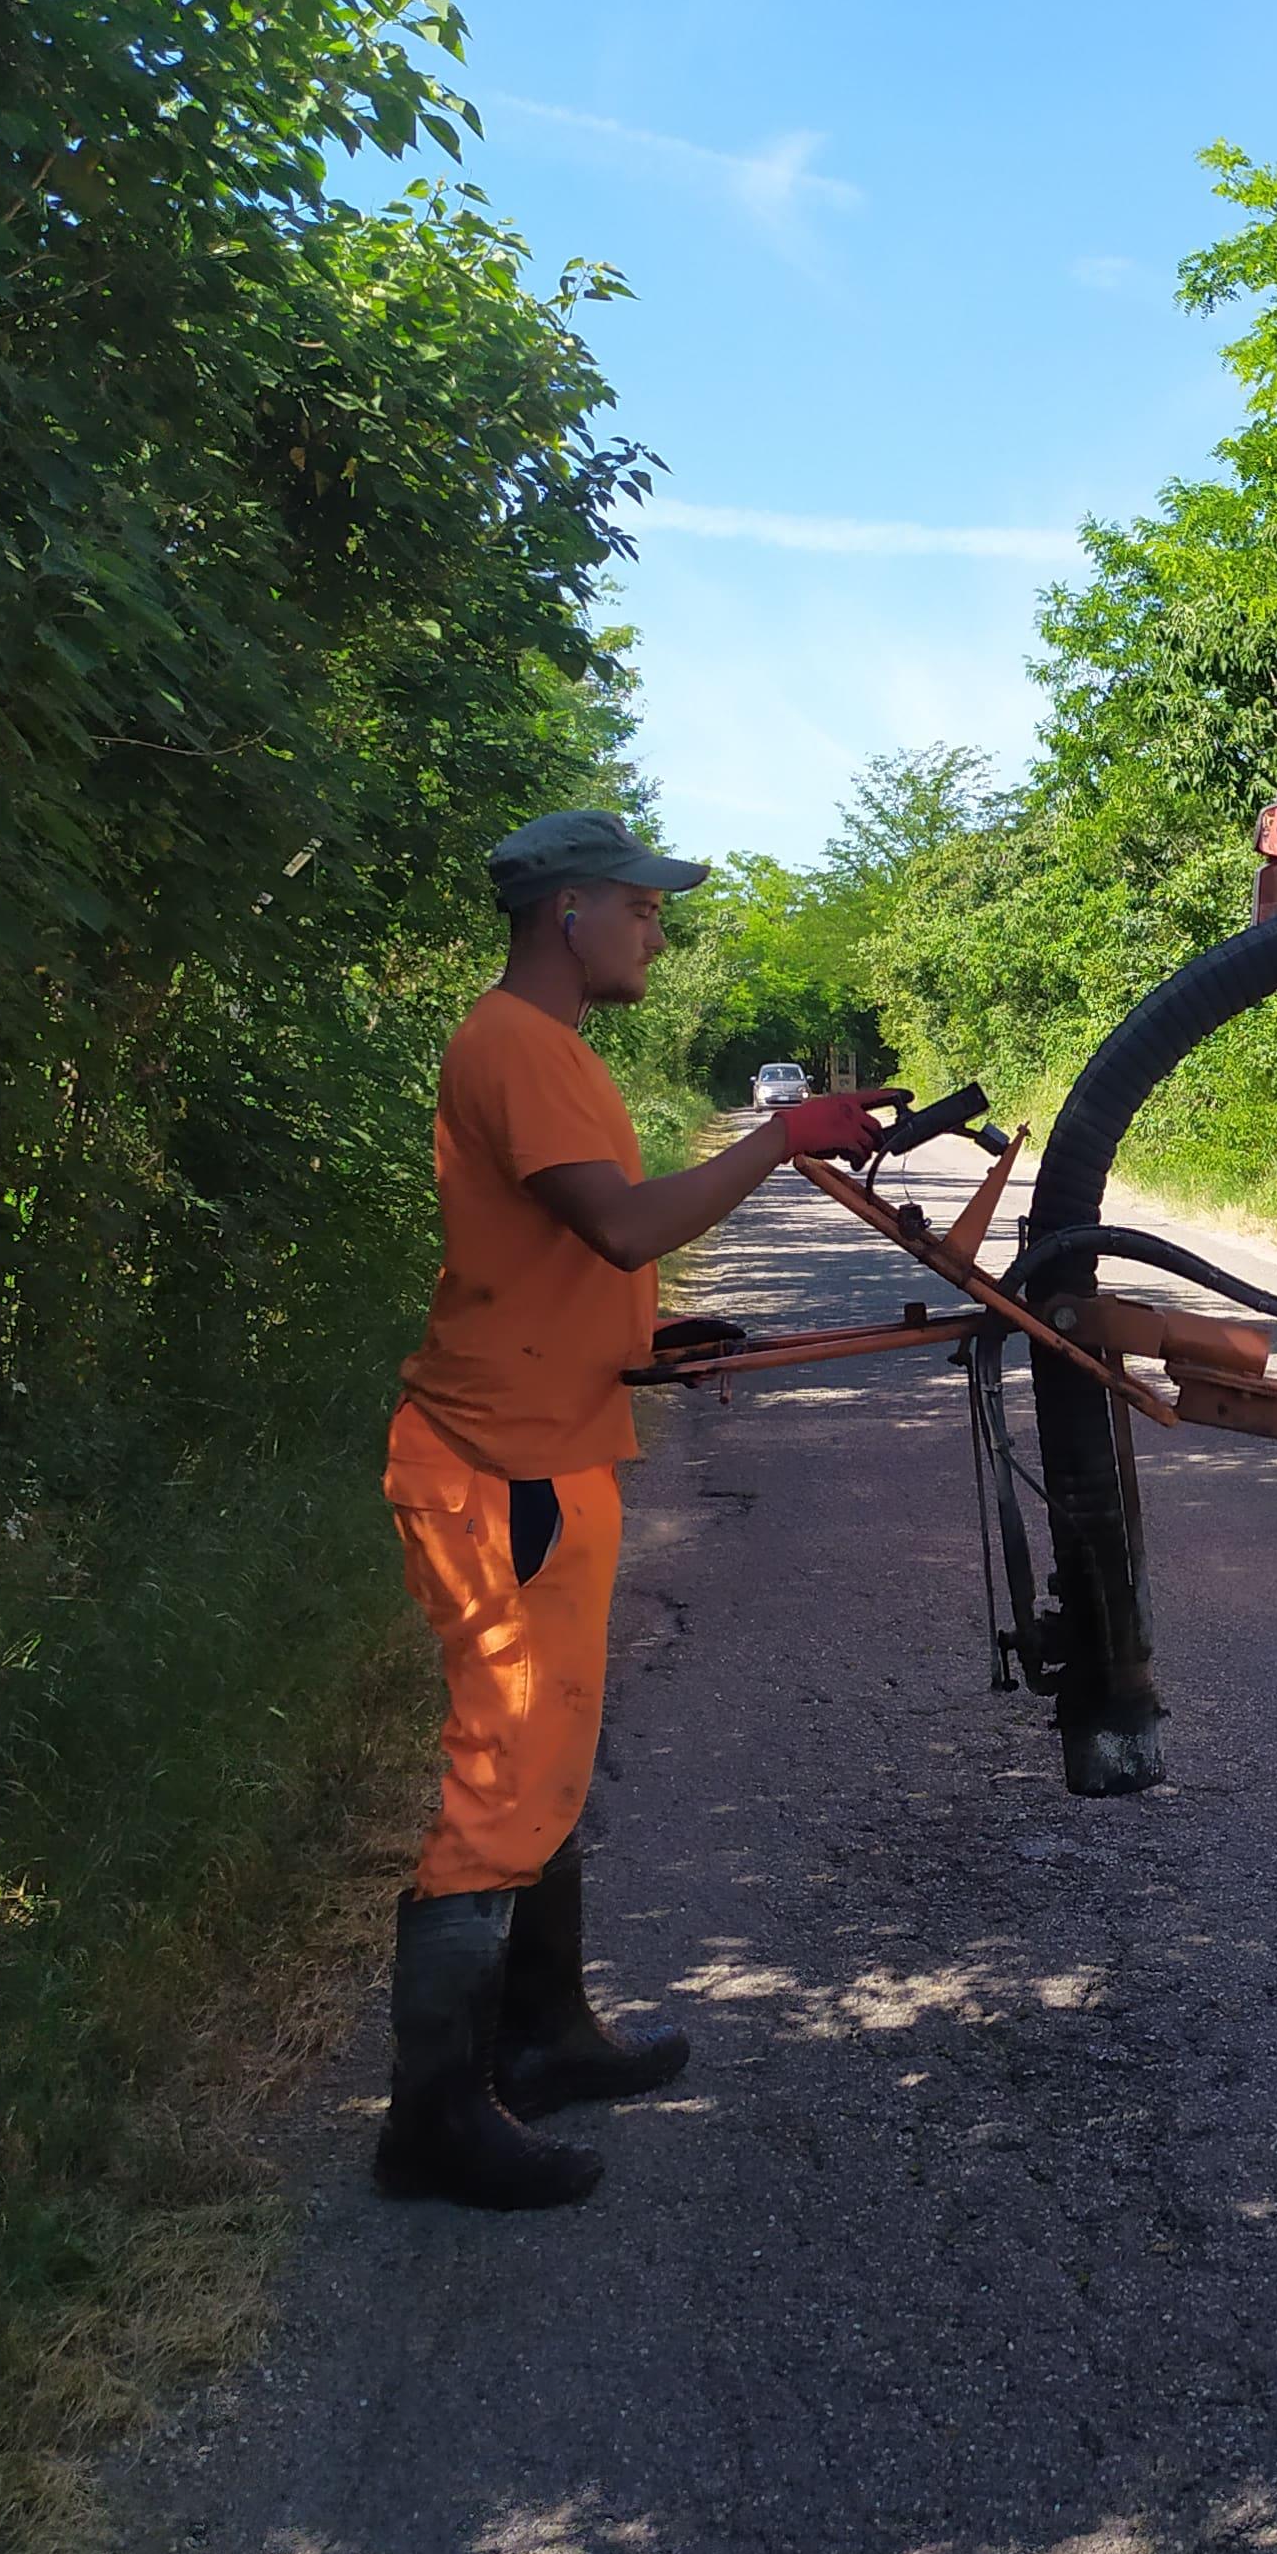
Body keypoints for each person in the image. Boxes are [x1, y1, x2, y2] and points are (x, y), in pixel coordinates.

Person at [374, 807, 885, 2210]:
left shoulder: (552, 1051)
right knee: (502, 1779)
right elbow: (621, 1224)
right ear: (570, 916)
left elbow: (570, 1261)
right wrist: (783, 1139)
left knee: (550, 1757)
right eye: (642, 905)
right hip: (500, 1474)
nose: (659, 926)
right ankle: (432, 2124)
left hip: (554, 1443)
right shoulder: (514, 1047)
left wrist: (650, 1340)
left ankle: (545, 2038)